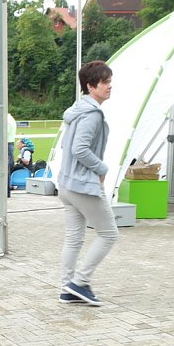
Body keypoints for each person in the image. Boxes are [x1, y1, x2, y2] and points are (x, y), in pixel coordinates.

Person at [57, 60, 118, 306]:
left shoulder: (77, 109)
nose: (109, 87)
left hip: (67, 184)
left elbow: (66, 146)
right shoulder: (92, 114)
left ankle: (67, 289)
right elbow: (79, 148)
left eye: (110, 82)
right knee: (109, 234)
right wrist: (102, 169)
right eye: (105, 83)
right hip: (83, 185)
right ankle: (79, 283)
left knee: (74, 239)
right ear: (91, 86)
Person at [7, 113, 17, 197]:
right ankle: (7, 190)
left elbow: (3, 133)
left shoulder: (7, 119)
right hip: (10, 144)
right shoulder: (11, 118)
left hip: (7, 144)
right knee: (7, 168)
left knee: (6, 168)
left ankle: (7, 190)